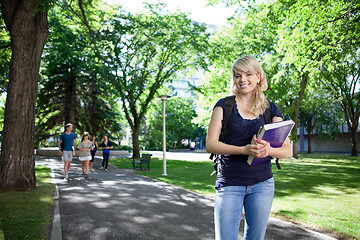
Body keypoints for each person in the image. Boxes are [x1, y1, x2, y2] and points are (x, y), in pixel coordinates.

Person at [206, 55, 292, 240]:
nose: (242, 79)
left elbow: (287, 150)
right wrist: (245, 150)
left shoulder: (270, 109)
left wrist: (267, 150)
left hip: (263, 184)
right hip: (230, 183)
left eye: (248, 74)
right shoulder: (224, 105)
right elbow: (210, 144)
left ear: (259, 77)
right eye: (237, 75)